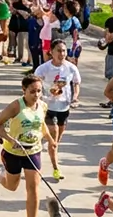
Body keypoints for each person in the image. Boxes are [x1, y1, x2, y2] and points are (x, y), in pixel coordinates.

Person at [0, 75, 56, 217]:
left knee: (33, 189)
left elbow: (40, 124)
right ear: (24, 90)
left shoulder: (42, 106)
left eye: (39, 91)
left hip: (33, 151)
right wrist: (10, 139)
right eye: (32, 91)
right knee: (12, 186)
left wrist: (50, 140)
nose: (36, 95)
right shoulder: (16, 106)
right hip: (13, 152)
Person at [34, 41, 80, 181]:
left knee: (56, 141)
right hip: (48, 107)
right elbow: (35, 84)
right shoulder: (43, 69)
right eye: (59, 51)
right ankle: (55, 168)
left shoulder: (71, 68)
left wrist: (75, 98)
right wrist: (42, 95)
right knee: (53, 139)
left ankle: (40, 143)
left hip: (64, 108)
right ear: (51, 52)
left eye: (64, 51)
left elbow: (76, 84)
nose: (62, 54)